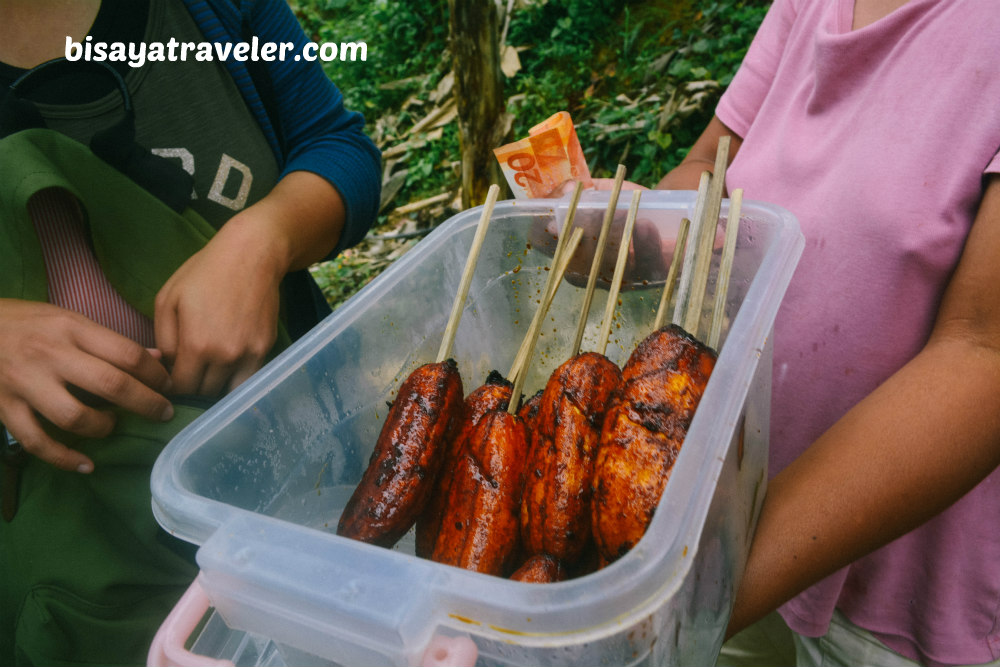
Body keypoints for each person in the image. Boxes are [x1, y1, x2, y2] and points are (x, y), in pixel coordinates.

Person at [0, 0, 380, 664]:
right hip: (87, 576)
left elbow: (336, 143)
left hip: (320, 482)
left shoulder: (211, 12)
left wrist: (263, 239)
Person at [654, 0, 1000, 665]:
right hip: (721, 502)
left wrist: (703, 597)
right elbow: (707, 169)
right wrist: (648, 231)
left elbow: (983, 351)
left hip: (890, 600)